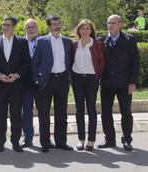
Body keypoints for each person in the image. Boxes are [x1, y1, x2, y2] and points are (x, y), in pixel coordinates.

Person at [97, 14, 140, 151]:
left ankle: (127, 140)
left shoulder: (129, 40)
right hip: (106, 84)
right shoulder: (101, 40)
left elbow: (135, 63)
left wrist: (132, 82)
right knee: (105, 113)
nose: (110, 25)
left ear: (120, 24)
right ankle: (109, 139)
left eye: (113, 23)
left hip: (124, 84)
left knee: (126, 113)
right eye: (108, 23)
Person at [32, 15, 73, 153]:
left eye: (59, 23)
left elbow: (70, 61)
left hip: (62, 80)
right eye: (54, 24)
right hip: (46, 81)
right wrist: (37, 79)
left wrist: (69, 78)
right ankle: (45, 143)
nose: (57, 26)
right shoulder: (41, 41)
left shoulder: (67, 41)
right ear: (49, 26)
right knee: (44, 114)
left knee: (61, 114)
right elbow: (34, 62)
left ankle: (61, 142)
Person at [0, 16, 31, 153]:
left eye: (8, 25)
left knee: (16, 115)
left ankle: (15, 142)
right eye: (3, 24)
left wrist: (17, 75)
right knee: (0, 115)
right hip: (0, 85)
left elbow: (27, 63)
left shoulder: (22, 42)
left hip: (16, 85)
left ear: (14, 27)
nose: (5, 27)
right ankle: (1, 142)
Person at [70, 19, 105, 151]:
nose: (85, 31)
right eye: (82, 28)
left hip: (91, 79)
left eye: (87, 28)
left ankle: (91, 140)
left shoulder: (97, 45)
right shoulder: (74, 45)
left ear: (91, 30)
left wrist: (97, 76)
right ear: (78, 30)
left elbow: (101, 62)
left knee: (91, 109)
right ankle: (81, 139)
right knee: (79, 109)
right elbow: (70, 60)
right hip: (77, 79)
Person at [20, 19, 39, 148]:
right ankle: (27, 138)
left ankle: (45, 139)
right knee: (26, 112)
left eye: (33, 27)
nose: (31, 29)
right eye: (28, 27)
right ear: (25, 29)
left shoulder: (44, 42)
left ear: (37, 28)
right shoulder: (19, 43)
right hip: (25, 83)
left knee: (43, 112)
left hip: (41, 83)